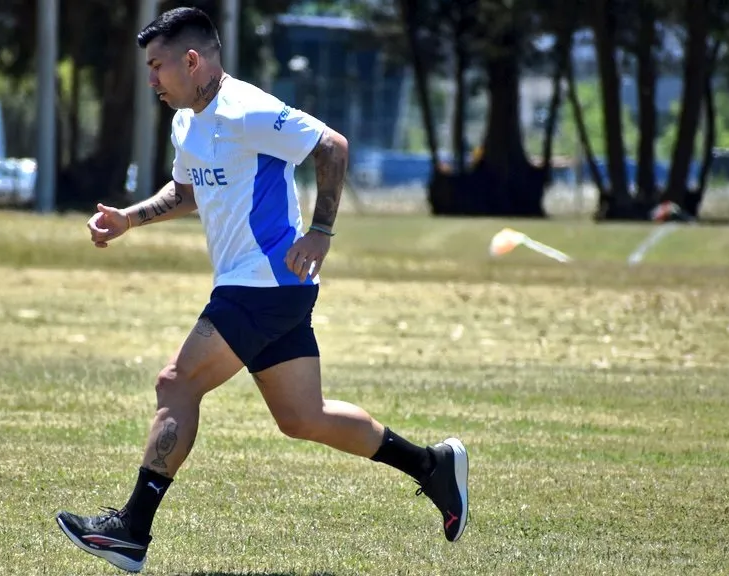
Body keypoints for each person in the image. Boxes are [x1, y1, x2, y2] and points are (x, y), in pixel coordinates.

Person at [55, 7, 468, 573]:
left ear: (192, 60)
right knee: (302, 417)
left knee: (177, 382)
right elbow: (187, 192)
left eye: (157, 66)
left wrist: (321, 232)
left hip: (264, 282)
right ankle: (431, 466)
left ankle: (132, 529)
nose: (151, 79)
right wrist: (130, 218)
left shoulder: (247, 109)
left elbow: (332, 146)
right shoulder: (186, 122)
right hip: (269, 286)